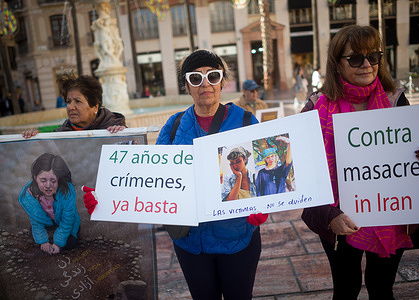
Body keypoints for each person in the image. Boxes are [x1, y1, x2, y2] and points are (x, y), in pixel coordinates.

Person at [83, 50, 268, 299]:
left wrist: (263, 204)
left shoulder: (246, 121)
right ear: (186, 86)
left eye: (213, 76)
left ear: (222, 81)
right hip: (191, 243)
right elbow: (152, 179)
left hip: (237, 237)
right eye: (195, 78)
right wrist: (107, 196)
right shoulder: (174, 126)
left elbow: (262, 175)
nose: (205, 84)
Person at [300, 25, 419, 300]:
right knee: (346, 289)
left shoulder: (395, 99)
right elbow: (302, 172)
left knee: (382, 288)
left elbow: (409, 161)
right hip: (338, 216)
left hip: (390, 213)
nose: (366, 65)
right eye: (355, 58)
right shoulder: (316, 107)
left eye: (374, 57)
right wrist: (329, 216)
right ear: (336, 63)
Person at [22, 72, 126, 138]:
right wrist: (34, 139)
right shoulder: (60, 135)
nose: (71, 107)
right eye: (68, 102)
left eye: (78, 101)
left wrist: (125, 137)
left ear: (95, 107)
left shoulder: (115, 129)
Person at [18, 153, 81, 255]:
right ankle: (48, 236)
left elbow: (67, 220)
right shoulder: (30, 196)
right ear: (35, 177)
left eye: (53, 181)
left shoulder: (66, 191)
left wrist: (58, 243)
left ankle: (59, 238)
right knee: (36, 236)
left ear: (59, 179)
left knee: (71, 242)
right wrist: (43, 241)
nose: (48, 185)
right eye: (43, 180)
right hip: (46, 221)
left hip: (63, 220)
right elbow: (36, 220)